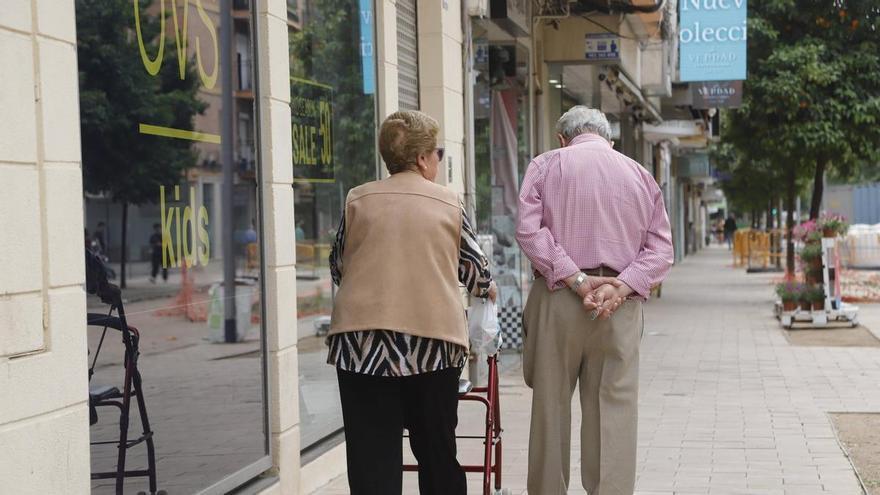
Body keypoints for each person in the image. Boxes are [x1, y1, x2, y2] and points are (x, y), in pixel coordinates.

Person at [326, 110, 496, 495]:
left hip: (361, 345)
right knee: (436, 451)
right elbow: (476, 274)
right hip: (432, 344)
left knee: (372, 460)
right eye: (437, 152)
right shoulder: (448, 203)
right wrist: (487, 288)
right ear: (421, 159)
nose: (437, 159)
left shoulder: (358, 199)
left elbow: (338, 267)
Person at [516, 105, 674, 495]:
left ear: (562, 138)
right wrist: (621, 286)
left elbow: (528, 232)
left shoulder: (545, 165)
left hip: (558, 298)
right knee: (614, 409)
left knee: (551, 407)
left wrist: (577, 278)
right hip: (617, 306)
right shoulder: (640, 175)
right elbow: (661, 252)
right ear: (610, 140)